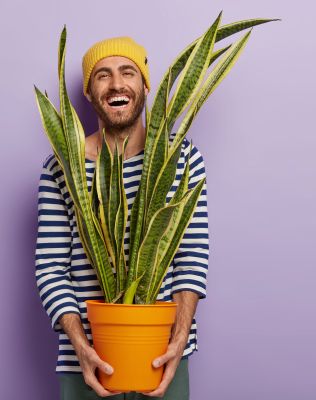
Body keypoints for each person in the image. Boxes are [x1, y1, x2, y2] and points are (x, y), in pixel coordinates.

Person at [35, 36, 209, 399]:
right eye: (102, 75)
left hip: (163, 358)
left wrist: (178, 341)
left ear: (145, 85)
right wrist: (81, 347)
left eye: (128, 72)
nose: (116, 83)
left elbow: (190, 258)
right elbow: (51, 268)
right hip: (86, 364)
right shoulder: (61, 167)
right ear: (89, 92)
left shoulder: (181, 158)